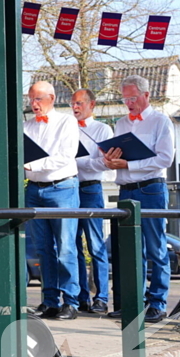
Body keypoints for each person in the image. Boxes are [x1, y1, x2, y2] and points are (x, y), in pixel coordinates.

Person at [103, 74, 175, 323]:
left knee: (156, 247)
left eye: (132, 97)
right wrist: (110, 161)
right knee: (131, 250)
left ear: (146, 95)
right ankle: (135, 302)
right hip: (126, 190)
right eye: (125, 98)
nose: (128, 103)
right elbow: (118, 157)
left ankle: (158, 303)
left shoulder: (160, 121)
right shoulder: (121, 123)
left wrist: (128, 164)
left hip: (151, 189)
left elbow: (165, 159)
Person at [23, 81, 80, 321]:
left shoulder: (67, 121)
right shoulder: (26, 126)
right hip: (35, 189)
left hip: (62, 188)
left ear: (52, 98)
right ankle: (49, 301)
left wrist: (31, 165)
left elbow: (66, 156)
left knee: (65, 247)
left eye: (39, 99)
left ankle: (71, 301)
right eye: (31, 99)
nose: (34, 104)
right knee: (43, 249)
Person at [70, 88, 114, 314]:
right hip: (69, 190)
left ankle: (102, 298)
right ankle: (81, 297)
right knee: (73, 245)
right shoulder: (66, 128)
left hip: (91, 189)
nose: (75, 107)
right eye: (72, 103)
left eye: (79, 103)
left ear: (92, 104)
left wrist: (76, 162)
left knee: (96, 246)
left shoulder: (103, 129)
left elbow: (104, 164)